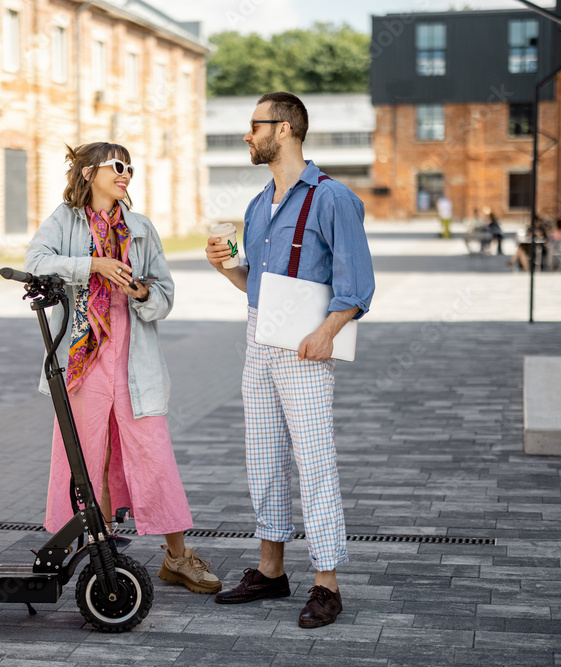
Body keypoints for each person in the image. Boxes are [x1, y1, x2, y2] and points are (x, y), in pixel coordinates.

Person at [204, 92, 375, 628]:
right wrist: (226, 268)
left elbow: (358, 285)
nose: (246, 135)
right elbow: (255, 285)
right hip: (260, 337)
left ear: (284, 130)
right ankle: (271, 570)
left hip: (306, 345)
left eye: (254, 125)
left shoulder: (333, 198)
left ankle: (327, 583)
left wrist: (330, 329)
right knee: (263, 455)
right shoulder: (259, 204)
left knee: (314, 459)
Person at [25, 142, 220, 595]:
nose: (126, 173)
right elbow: (35, 262)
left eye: (130, 166)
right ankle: (102, 553)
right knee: (87, 458)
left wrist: (142, 294)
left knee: (153, 455)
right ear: (90, 171)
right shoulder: (64, 221)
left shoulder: (141, 228)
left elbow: (166, 294)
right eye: (117, 166)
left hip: (136, 362)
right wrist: (92, 263)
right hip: (83, 361)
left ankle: (178, 557)